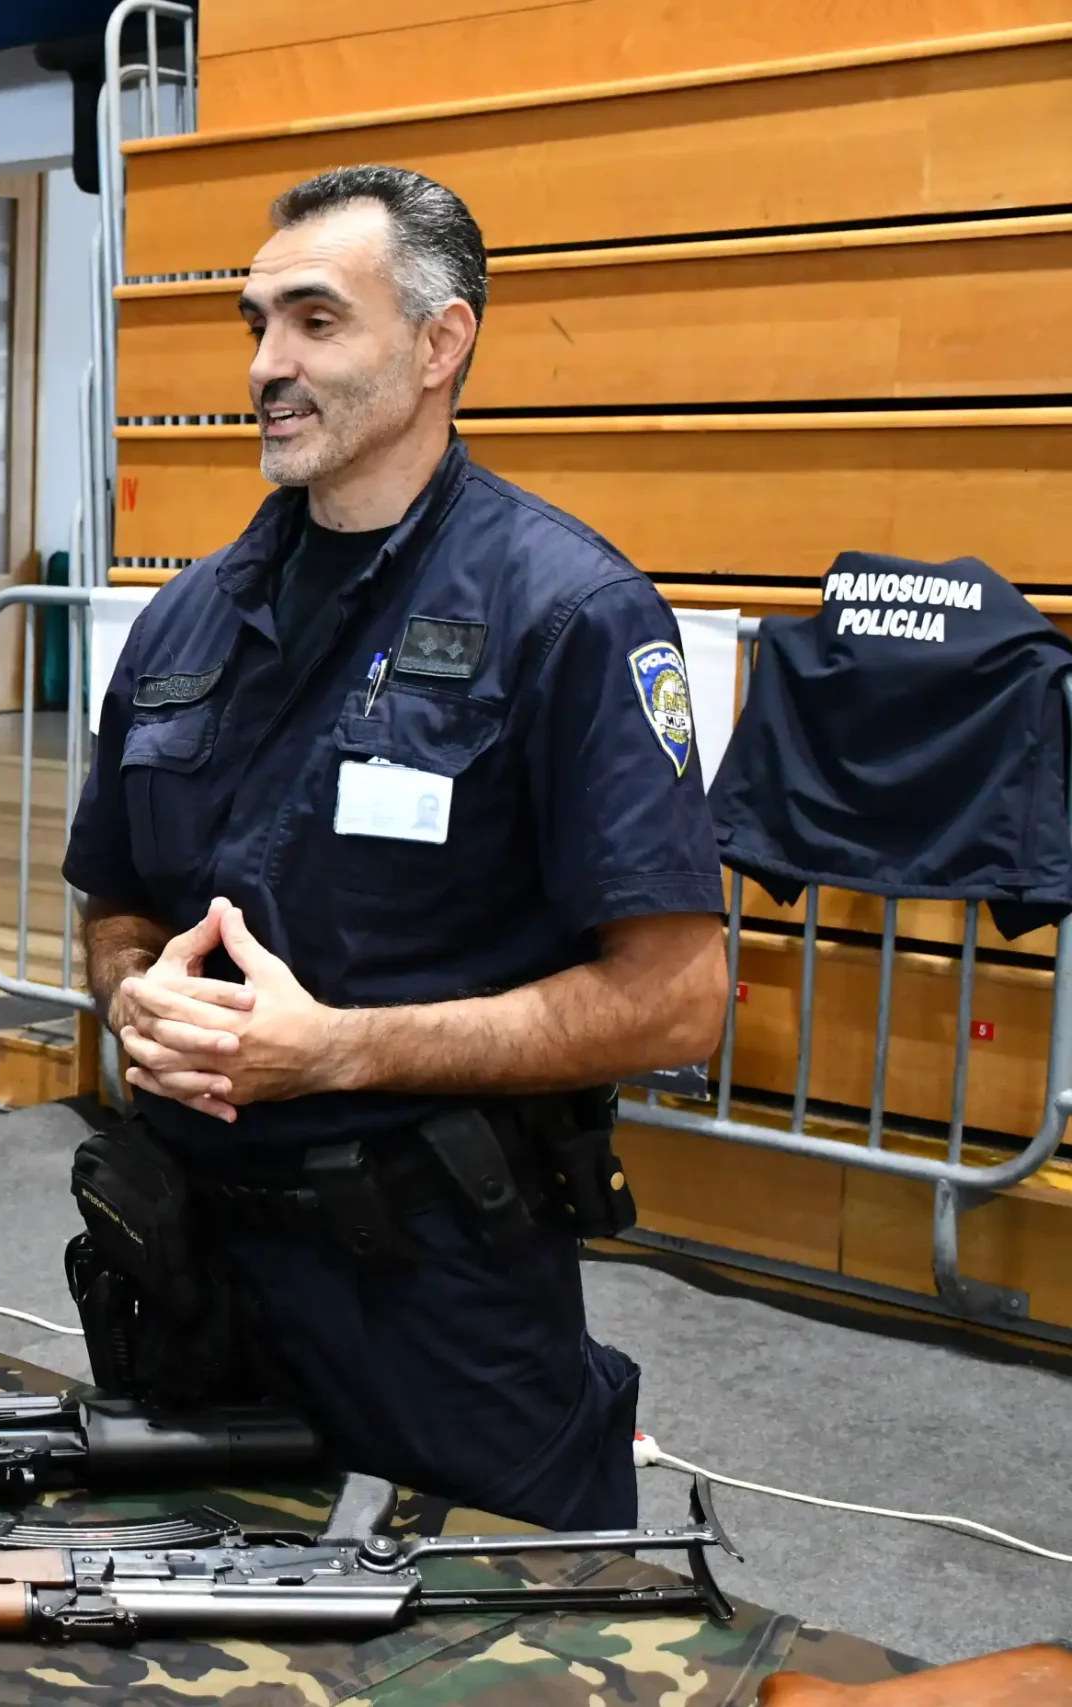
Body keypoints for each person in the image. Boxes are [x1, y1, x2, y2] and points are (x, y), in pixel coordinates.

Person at [63, 165, 729, 1530]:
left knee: (506, 1659)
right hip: (185, 1268)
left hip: (435, 1287)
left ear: (442, 344)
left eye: (315, 321)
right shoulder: (185, 621)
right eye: (256, 323)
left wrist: (349, 1047)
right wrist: (132, 993)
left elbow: (679, 997)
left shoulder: (571, 615)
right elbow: (116, 901)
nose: (265, 364)